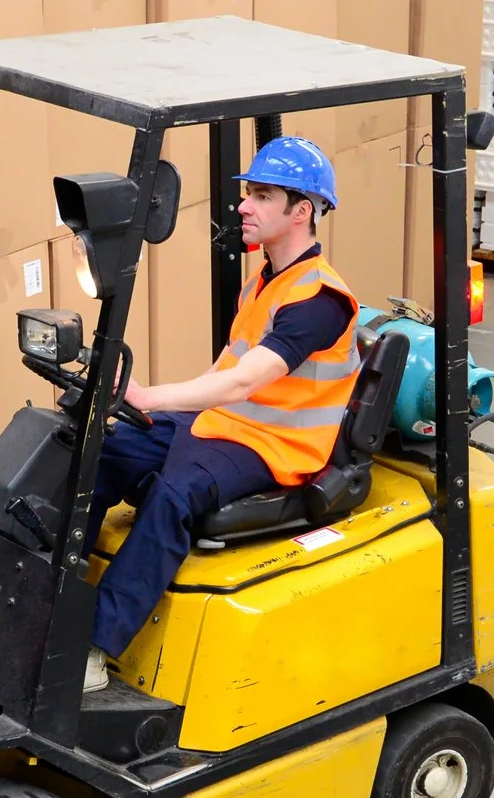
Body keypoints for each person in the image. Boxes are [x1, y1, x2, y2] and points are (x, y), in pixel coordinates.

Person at [83, 136, 360, 693]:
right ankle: (45, 589)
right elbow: (231, 377)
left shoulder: (321, 301)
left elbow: (243, 380)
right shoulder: (265, 280)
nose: (243, 205)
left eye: (260, 195)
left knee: (173, 495)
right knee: (104, 450)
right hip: (227, 426)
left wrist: (149, 397)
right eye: (247, 194)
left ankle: (94, 648)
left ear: (301, 211)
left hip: (275, 446)